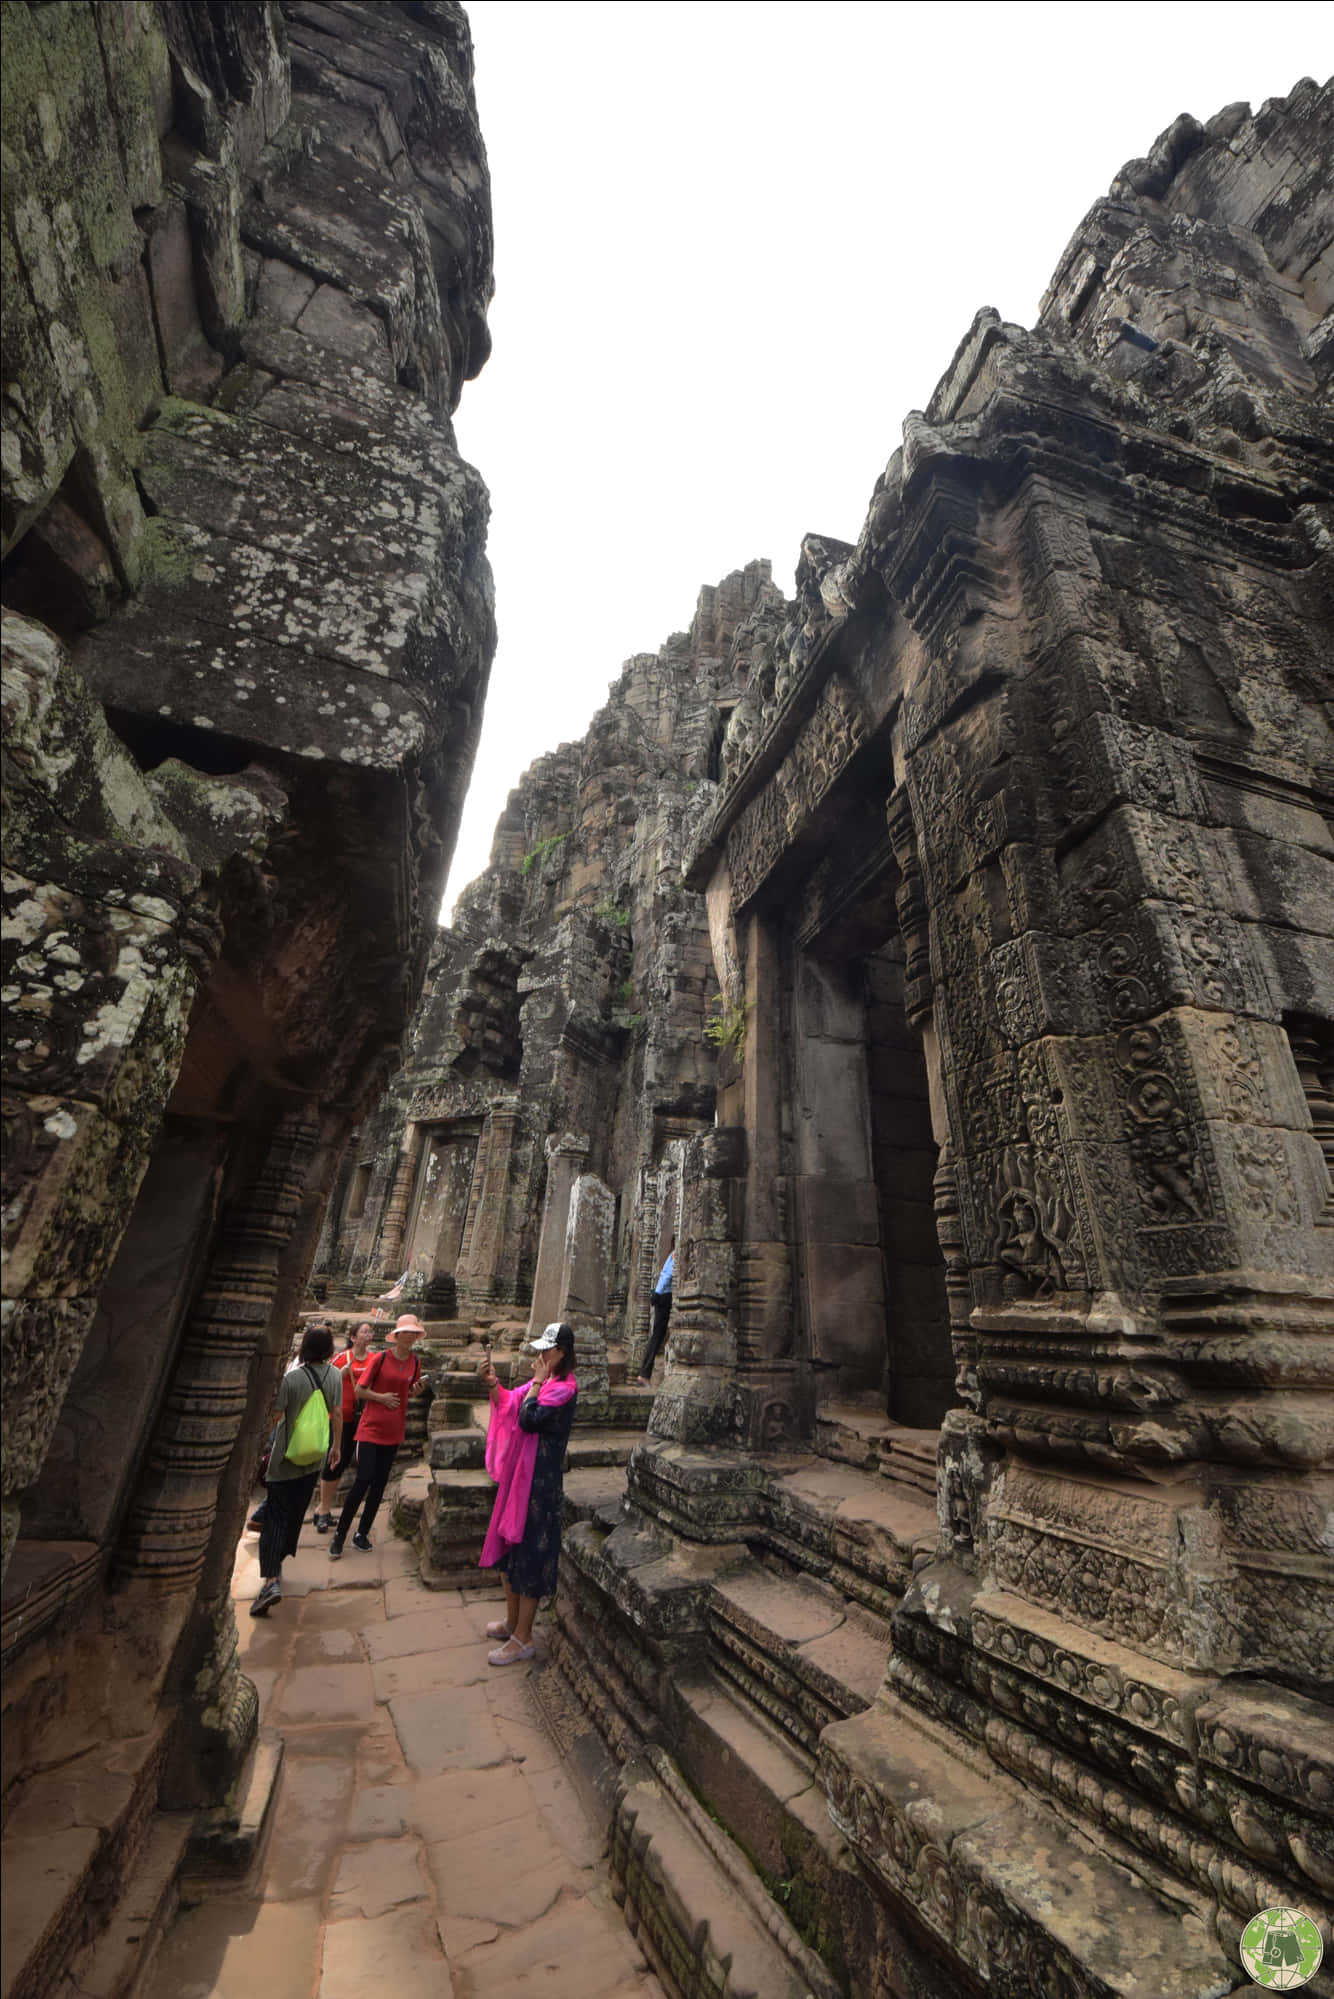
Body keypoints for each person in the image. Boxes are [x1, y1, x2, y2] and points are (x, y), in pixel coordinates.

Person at [478, 1323, 578, 1665]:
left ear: (562, 1353)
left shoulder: (562, 1389)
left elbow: (528, 1417)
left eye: (546, 1350)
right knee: (510, 1553)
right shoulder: (547, 1383)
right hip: (521, 1478)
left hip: (539, 1485)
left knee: (530, 1559)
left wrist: (535, 1383)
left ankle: (524, 1638)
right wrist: (493, 1383)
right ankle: (511, 1623)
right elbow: (509, 1403)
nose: (540, 1356)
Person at [251, 1322, 342, 1616]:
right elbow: (337, 1414)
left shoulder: (292, 1379)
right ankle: (279, 1559)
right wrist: (336, 1447)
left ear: (305, 1347)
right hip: (314, 1458)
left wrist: (260, 1446)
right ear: (328, 1350)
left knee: (276, 1515)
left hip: (285, 1458)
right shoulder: (336, 1376)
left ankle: (271, 1580)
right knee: (294, 1512)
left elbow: (276, 1417)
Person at [329, 1313, 425, 1558]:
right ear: (398, 1335)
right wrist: (381, 1398)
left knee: (379, 1484)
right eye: (408, 1332)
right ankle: (340, 1533)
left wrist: (415, 1392)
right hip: (371, 1428)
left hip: (394, 1429)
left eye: (415, 1333)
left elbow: (407, 1393)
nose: (412, 1336)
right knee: (363, 1480)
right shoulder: (381, 1358)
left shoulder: (415, 1362)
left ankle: (362, 1532)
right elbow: (360, 1390)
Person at [314, 1321, 377, 1532]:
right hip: (340, 1417)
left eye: (370, 1331)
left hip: (363, 1418)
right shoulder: (342, 1358)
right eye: (364, 1331)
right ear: (353, 1337)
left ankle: (324, 1509)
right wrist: (340, 1374)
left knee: (348, 1459)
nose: (369, 1334)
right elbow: (323, 1381)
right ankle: (323, 1509)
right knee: (335, 1461)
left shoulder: (374, 1359)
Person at [637, 1237, 675, 1384]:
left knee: (658, 1335)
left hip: (663, 1295)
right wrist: (658, 1293)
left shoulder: (671, 1254)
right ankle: (644, 1374)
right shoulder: (675, 1254)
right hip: (665, 1296)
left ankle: (645, 1373)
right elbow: (667, 1276)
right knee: (657, 1335)